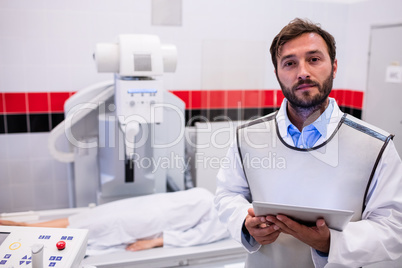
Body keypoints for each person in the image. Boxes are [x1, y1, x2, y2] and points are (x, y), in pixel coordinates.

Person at [214, 18, 402, 267]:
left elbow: (393, 227)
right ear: (277, 74)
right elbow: (228, 194)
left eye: (314, 59)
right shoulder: (246, 137)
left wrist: (331, 243)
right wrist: (245, 224)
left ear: (334, 67)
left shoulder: (376, 146)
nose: (303, 72)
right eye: (290, 63)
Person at [1, 187, 229, 253]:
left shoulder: (229, 219)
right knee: (89, 217)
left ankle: (25, 229)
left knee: (92, 225)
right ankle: (25, 228)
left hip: (145, 220)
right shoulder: (216, 195)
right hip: (143, 207)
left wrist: (154, 242)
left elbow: (198, 236)